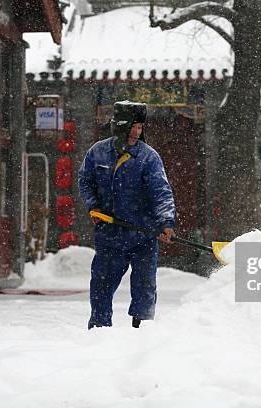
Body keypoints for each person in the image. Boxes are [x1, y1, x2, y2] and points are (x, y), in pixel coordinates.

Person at [78, 100, 176, 329]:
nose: (136, 132)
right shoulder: (98, 153)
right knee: (101, 286)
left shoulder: (148, 157)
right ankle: (99, 330)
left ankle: (142, 331)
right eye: (133, 126)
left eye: (140, 127)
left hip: (143, 235)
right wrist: (94, 206)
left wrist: (166, 223)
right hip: (109, 233)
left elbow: (161, 192)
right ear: (120, 125)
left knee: (145, 288)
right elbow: (85, 181)